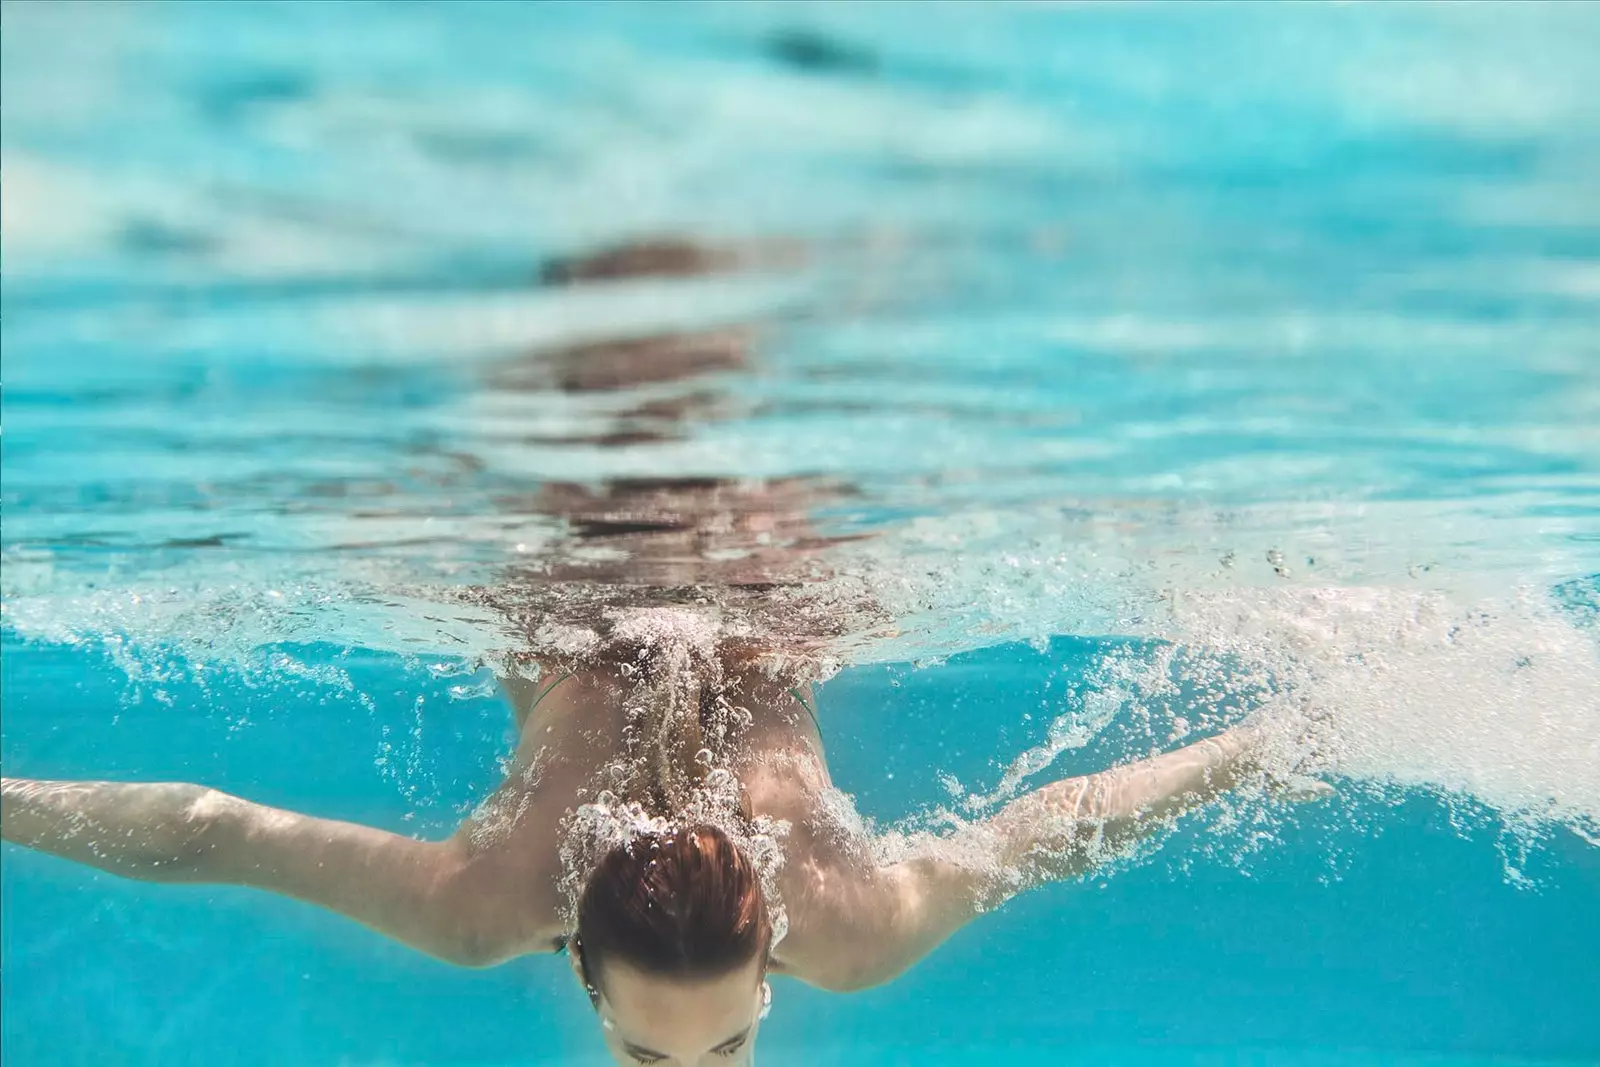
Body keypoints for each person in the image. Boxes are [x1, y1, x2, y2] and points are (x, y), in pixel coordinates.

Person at [1, 622, 1303, 1067]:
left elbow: (216, 832)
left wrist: (1269, 745)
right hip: (743, 567)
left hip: (578, 573)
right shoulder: (492, 900)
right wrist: (1268, 740)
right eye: (686, 1049)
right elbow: (1053, 830)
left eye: (711, 1047)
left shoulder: (494, 902)